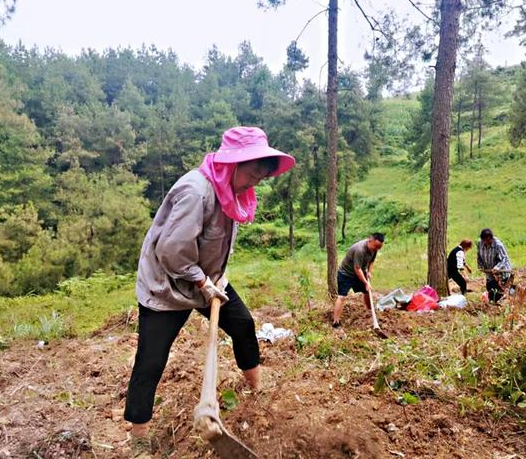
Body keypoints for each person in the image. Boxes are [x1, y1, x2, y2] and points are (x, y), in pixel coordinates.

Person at [124, 127, 295, 458]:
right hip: (167, 286)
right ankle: (139, 437)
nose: (254, 182)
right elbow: (172, 252)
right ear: (231, 163)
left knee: (243, 324)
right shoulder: (196, 192)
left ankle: (258, 389)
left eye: (261, 177)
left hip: (210, 279)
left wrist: (214, 278)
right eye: (251, 173)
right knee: (151, 360)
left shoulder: (235, 190)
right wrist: (202, 282)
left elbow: (217, 241)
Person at [332, 233, 385, 328]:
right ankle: (336, 322)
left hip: (359, 273)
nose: (376, 249)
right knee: (342, 297)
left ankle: (370, 312)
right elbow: (357, 269)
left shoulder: (374, 249)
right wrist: (365, 282)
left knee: (367, 292)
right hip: (346, 274)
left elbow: (371, 261)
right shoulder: (359, 249)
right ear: (370, 240)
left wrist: (369, 272)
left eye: (378, 248)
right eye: (375, 247)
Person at [477, 228, 512, 303]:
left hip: (501, 271)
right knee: (489, 288)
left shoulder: (498, 245)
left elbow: (504, 258)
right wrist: (481, 266)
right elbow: (479, 256)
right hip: (489, 271)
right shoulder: (480, 243)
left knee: (498, 291)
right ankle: (492, 304)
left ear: (491, 238)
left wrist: (497, 268)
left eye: (488, 241)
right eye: (485, 241)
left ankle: (498, 305)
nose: (487, 243)